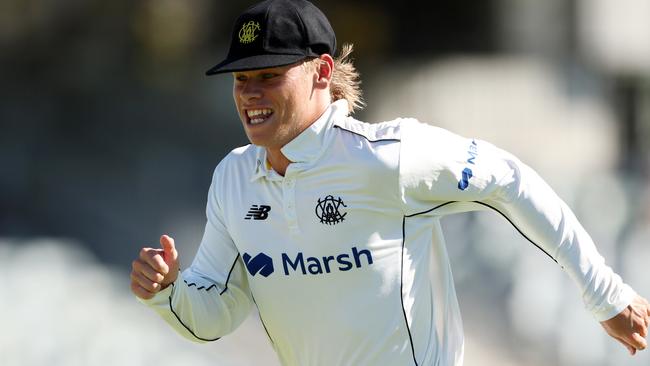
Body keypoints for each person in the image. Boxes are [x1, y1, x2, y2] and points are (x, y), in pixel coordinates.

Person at [129, 0, 650, 365]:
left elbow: (511, 180)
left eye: (269, 74)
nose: (250, 92)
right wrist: (166, 292)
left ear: (321, 71)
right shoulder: (234, 179)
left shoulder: (390, 157)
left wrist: (605, 294)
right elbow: (214, 315)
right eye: (242, 78)